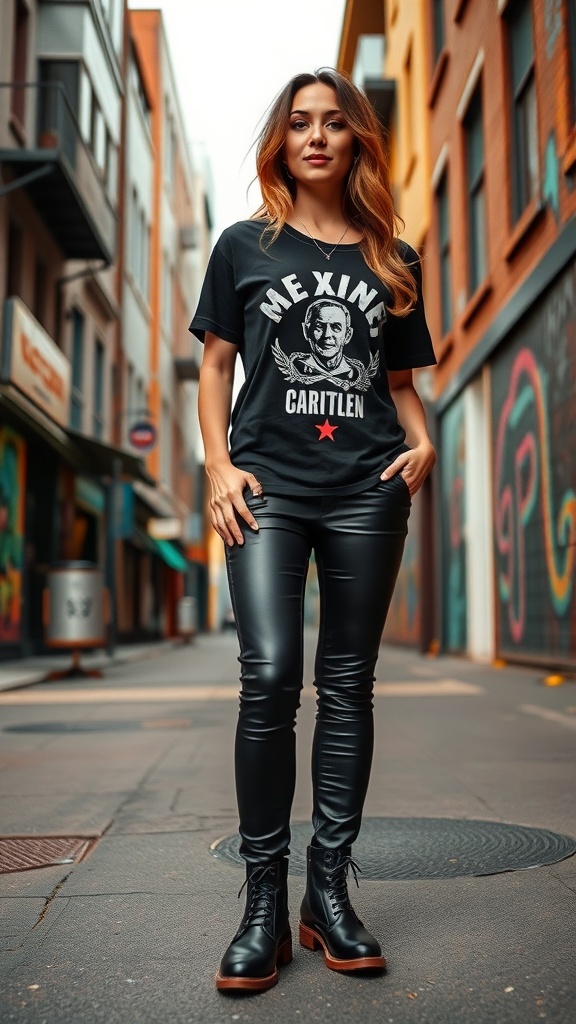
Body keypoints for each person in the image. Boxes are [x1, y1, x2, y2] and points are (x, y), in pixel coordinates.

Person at [190, 67, 436, 993]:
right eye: (301, 123)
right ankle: (262, 903)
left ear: (358, 140)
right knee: (268, 676)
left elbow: (402, 386)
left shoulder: (392, 258)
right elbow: (215, 368)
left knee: (347, 685)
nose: (319, 136)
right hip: (268, 487)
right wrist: (217, 466)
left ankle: (326, 895)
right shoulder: (243, 247)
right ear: (281, 141)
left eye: (336, 122)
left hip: (369, 487)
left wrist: (422, 445)